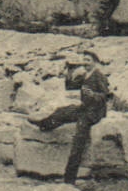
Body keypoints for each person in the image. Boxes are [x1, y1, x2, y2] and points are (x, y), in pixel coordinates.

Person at [29, 52, 111, 184]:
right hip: (85, 108)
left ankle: (69, 178)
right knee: (62, 111)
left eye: (88, 60)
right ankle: (44, 124)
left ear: (95, 62)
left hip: (94, 113)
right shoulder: (85, 75)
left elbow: (106, 96)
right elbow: (70, 86)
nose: (85, 63)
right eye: (84, 60)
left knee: (78, 140)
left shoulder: (99, 76)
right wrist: (70, 70)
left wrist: (93, 94)